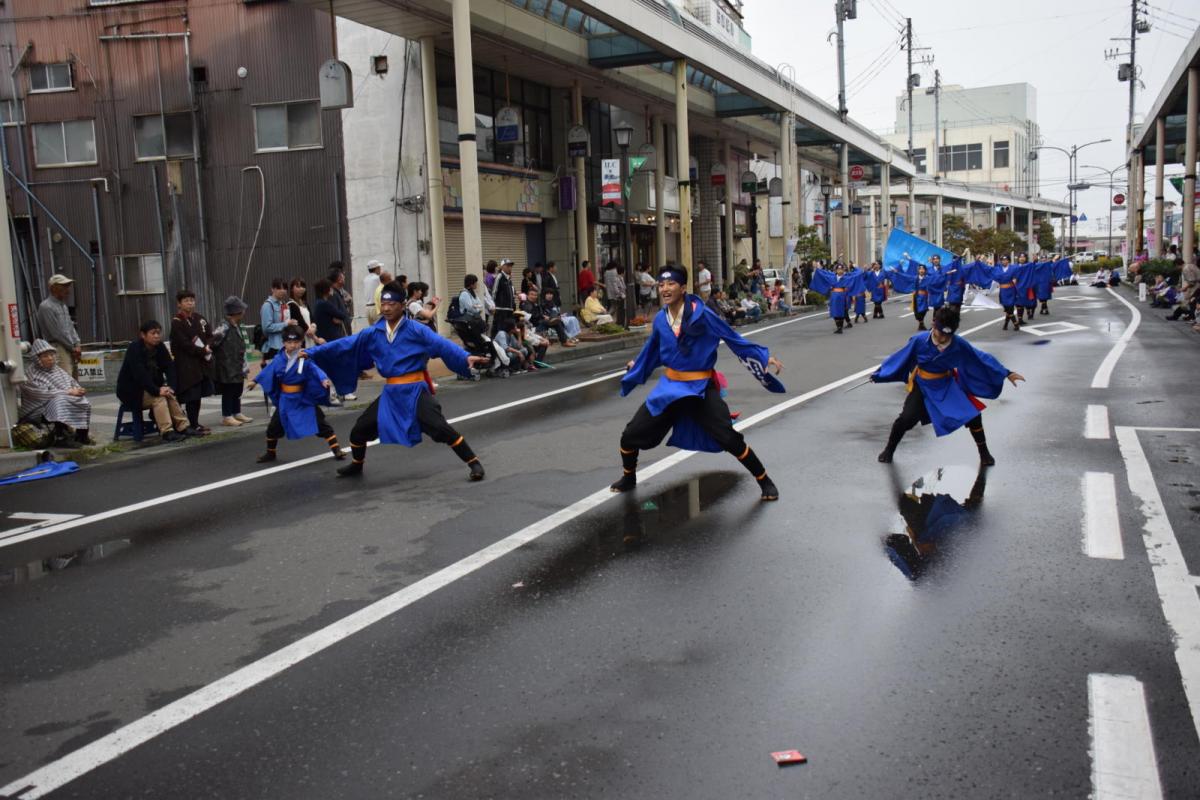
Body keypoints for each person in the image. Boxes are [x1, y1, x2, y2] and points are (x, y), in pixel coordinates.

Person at [610, 265, 785, 501]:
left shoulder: (703, 315)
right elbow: (653, 350)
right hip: (670, 389)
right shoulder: (661, 318)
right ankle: (629, 477)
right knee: (630, 436)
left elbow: (732, 338)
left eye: (670, 284)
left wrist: (764, 357)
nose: (665, 289)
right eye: (661, 285)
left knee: (729, 438)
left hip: (699, 389)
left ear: (683, 288)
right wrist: (637, 364)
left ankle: (765, 480)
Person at [304, 283, 491, 479]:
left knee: (440, 428)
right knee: (359, 430)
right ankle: (356, 464)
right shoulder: (373, 332)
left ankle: (474, 463)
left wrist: (464, 357)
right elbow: (344, 344)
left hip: (415, 390)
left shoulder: (416, 330)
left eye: (391, 303)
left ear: (402, 305)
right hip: (391, 393)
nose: (386, 308)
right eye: (383, 304)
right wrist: (311, 353)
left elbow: (441, 344)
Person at [872, 306, 1025, 466]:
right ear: (933, 324)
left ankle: (984, 453)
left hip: (946, 383)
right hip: (923, 385)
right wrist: (880, 374)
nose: (944, 338)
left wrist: (1006, 372)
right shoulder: (919, 341)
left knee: (973, 415)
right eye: (940, 333)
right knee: (906, 419)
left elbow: (980, 357)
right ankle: (889, 449)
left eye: (948, 334)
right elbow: (900, 358)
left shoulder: (959, 344)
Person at [254, 326, 344, 463]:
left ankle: (336, 449)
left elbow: (314, 369)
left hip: (302, 398)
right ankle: (270, 453)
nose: (293, 345)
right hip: (286, 399)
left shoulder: (304, 357)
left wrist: (323, 379)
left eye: (296, 342)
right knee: (274, 427)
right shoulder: (279, 359)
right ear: (284, 343)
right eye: (289, 342)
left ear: (301, 342)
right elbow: (268, 372)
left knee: (320, 422)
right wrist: (255, 380)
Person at [116, 320, 191, 442]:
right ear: (143, 335)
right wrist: (156, 390)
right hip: (131, 391)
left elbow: (169, 367)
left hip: (151, 388)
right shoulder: (134, 348)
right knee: (159, 398)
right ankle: (167, 432)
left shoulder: (160, 347)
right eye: (153, 333)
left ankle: (183, 427)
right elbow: (140, 375)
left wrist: (170, 386)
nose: (157, 336)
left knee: (169, 394)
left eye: (158, 333)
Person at [19, 339, 92, 446]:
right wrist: (69, 392)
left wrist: (78, 389)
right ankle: (60, 437)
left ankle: (82, 435)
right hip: (38, 408)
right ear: (37, 358)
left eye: (51, 355)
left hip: (59, 399)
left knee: (82, 400)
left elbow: (71, 382)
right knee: (59, 401)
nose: (50, 358)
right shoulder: (31, 373)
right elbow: (42, 393)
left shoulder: (57, 369)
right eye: (45, 356)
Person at [169, 289, 214, 434]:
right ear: (179, 304)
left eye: (192, 300)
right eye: (186, 300)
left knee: (198, 395)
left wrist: (208, 345)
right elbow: (184, 344)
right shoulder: (177, 322)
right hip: (186, 364)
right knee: (191, 395)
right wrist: (202, 351)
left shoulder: (199, 318)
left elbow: (210, 334)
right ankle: (190, 424)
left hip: (200, 363)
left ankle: (195, 423)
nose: (190, 303)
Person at [212, 296, 253, 427]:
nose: (244, 312)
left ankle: (237, 412)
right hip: (227, 364)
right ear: (237, 312)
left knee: (237, 388)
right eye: (242, 310)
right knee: (229, 390)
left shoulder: (237, 326)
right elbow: (213, 342)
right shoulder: (224, 326)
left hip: (237, 363)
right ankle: (227, 415)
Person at [36, 274, 82, 379]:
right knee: (65, 380)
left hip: (70, 347)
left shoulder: (63, 305)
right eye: (64, 286)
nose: (68, 290)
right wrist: (74, 348)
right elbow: (56, 333)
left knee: (74, 381)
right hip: (58, 348)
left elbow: (70, 327)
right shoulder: (46, 306)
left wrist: (77, 344)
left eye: (68, 286)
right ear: (53, 288)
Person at [810, 263, 863, 333]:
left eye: (841, 269)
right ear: (836, 270)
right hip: (834, 296)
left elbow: (857, 275)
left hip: (842, 296)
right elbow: (824, 274)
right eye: (838, 269)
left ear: (843, 270)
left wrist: (856, 267)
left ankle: (840, 328)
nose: (840, 271)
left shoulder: (847, 277)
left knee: (841, 312)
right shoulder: (832, 277)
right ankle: (838, 327)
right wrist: (818, 268)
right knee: (834, 312)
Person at [313, 278, 351, 343]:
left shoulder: (318, 302)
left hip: (323, 336)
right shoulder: (324, 304)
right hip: (329, 337)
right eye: (330, 288)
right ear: (326, 289)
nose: (332, 290)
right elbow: (342, 315)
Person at [260, 278, 290, 360]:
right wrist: (286, 324)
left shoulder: (284, 304)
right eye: (279, 288)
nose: (283, 291)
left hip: (285, 345)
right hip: (274, 347)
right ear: (272, 289)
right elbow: (267, 327)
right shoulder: (267, 305)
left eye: (285, 288)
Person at [287, 278, 321, 347]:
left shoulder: (305, 304)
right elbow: (301, 324)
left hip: (310, 338)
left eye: (303, 286)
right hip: (301, 340)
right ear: (291, 289)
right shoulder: (291, 304)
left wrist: (314, 327)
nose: (301, 289)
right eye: (298, 286)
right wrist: (316, 339)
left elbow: (312, 319)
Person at [492, 258, 516, 335]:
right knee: (500, 331)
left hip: (509, 309)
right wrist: (494, 306)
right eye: (508, 266)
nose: (510, 268)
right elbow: (494, 292)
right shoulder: (499, 277)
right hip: (501, 309)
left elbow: (510, 293)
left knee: (508, 331)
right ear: (502, 267)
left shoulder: (509, 279)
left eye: (511, 266)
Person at [328, 264, 354, 335]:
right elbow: (335, 317)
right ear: (339, 279)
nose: (344, 277)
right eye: (343, 276)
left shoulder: (338, 292)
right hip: (341, 332)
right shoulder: (333, 294)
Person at [363, 260, 384, 325]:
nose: (380, 269)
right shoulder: (377, 278)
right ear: (376, 268)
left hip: (367, 308)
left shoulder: (365, 279)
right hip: (376, 308)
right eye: (379, 268)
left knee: (372, 330)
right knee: (381, 328)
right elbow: (382, 292)